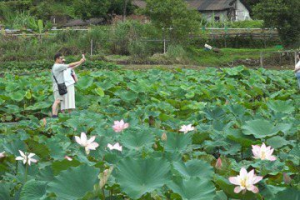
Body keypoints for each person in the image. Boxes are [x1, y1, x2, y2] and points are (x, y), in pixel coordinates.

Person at [51, 53, 85, 117]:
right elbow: (70, 65)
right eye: (61, 59)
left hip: (59, 86)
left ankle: (55, 115)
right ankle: (54, 116)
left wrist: (80, 62)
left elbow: (72, 67)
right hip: (58, 87)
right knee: (57, 101)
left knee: (59, 101)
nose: (62, 61)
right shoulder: (58, 66)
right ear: (57, 59)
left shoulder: (58, 66)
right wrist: (80, 61)